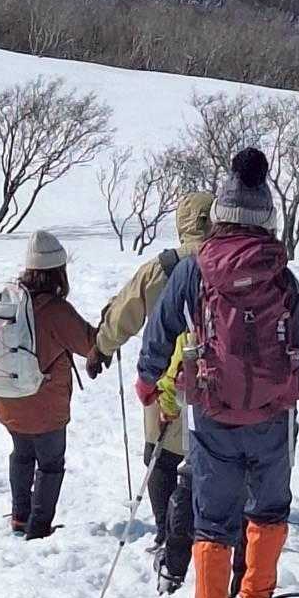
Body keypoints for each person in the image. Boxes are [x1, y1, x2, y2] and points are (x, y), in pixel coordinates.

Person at [136, 149, 299, 598]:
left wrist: (147, 381)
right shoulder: (280, 275)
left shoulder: (195, 269)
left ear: (221, 214)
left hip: (212, 413)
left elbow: (161, 330)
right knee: (268, 509)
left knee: (212, 521)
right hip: (274, 414)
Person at [86, 192, 214, 552]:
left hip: (164, 378)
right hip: (222, 379)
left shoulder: (163, 267)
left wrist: (102, 347)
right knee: (215, 457)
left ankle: (167, 533)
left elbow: (124, 312)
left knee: (161, 457)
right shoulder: (232, 260)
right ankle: (210, 531)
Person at [0, 231, 96, 541]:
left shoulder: (8, 300)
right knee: (50, 463)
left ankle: (20, 517)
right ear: (58, 271)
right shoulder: (56, 310)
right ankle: (38, 527)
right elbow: (90, 344)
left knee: (21, 454)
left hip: (8, 398)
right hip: (45, 407)